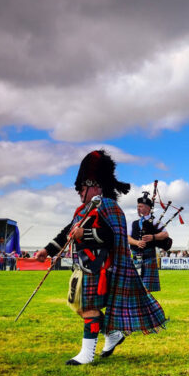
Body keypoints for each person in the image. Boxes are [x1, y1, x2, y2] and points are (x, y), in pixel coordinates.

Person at [34, 150, 167, 365]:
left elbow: (113, 236)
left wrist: (84, 234)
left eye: (81, 188)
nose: (79, 192)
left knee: (88, 307)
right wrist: (46, 250)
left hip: (100, 266)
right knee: (79, 305)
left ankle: (87, 354)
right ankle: (113, 335)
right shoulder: (83, 210)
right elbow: (67, 232)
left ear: (94, 185)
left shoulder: (108, 206)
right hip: (84, 266)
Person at [128, 192, 169, 292]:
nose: (138, 208)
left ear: (148, 208)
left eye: (141, 206)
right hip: (136, 256)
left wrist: (153, 237)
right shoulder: (133, 223)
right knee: (135, 287)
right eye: (137, 206)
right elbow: (127, 237)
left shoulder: (155, 222)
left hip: (149, 257)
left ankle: (146, 306)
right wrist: (136, 242)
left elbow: (165, 234)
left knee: (146, 289)